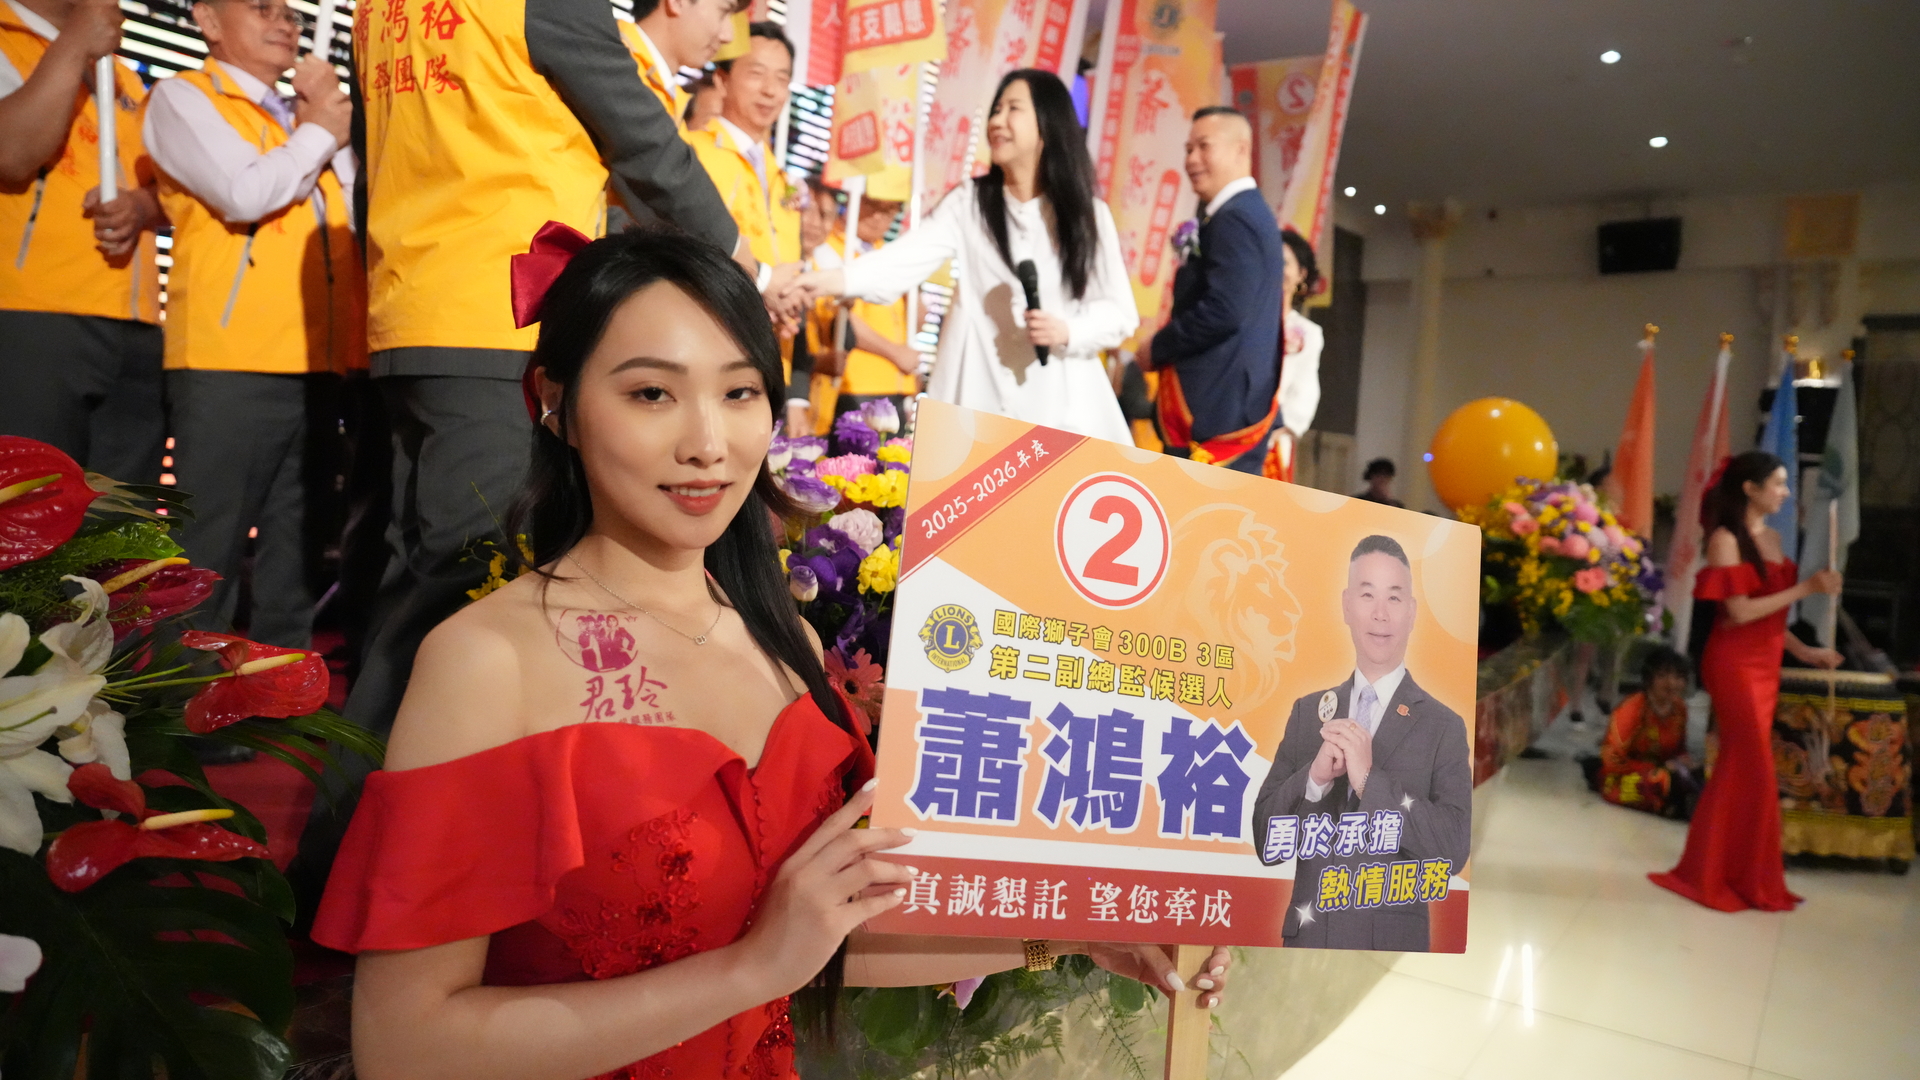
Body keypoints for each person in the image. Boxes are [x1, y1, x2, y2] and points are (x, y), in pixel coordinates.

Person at [312, 227, 1232, 1079]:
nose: (708, 444)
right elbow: (404, 1046)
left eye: (739, 391)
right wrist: (752, 969)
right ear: (555, 403)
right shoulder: (486, 661)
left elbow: (822, 938)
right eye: (650, 393)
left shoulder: (780, 636)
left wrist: (1073, 933)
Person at [292, 0, 762, 924]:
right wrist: (737, 266)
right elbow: (640, 139)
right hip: (497, 320)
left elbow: (375, 165)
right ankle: (382, 892)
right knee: (463, 610)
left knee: (411, 603)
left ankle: (349, 872)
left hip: (412, 313)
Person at [144, 0, 362, 647]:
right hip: (229, 359)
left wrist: (325, 125)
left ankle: (277, 695)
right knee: (205, 554)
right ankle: (181, 696)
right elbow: (245, 193)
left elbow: (356, 217)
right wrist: (319, 131)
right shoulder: (185, 97)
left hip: (319, 362)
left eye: (291, 13)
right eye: (260, 7)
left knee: (296, 559)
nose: (285, 23)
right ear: (209, 21)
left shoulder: (305, 117)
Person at [782, 69, 1136, 443]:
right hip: (978, 399)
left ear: (1048, 124)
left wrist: (1068, 330)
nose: (997, 121)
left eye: (1013, 109)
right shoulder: (970, 203)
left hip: (1059, 406)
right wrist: (826, 281)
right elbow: (901, 261)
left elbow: (1119, 312)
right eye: (996, 109)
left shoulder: (1087, 216)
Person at [1251, 534, 1473, 951]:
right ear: (1346, 606)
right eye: (1367, 595)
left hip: (1389, 943)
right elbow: (1265, 842)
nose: (1380, 614)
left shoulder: (1443, 725)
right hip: (1307, 939)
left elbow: (1453, 851)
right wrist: (1313, 780)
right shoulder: (1308, 712)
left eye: (1394, 598)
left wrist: (1371, 782)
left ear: (1412, 612)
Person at [1650, 451, 1842, 912]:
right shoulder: (1724, 540)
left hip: (1766, 662)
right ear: (1750, 489)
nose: (1786, 492)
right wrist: (1808, 588)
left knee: (1739, 767)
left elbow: (1770, 614)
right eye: (1778, 483)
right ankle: (1723, 875)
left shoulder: (1773, 538)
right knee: (1754, 767)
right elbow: (1738, 613)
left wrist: (1804, 650)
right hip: (1734, 664)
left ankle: (1722, 871)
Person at [0, 0, 164, 484]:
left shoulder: (124, 76)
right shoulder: (8, 37)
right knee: (31, 507)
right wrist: (75, 41)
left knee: (121, 519)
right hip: (33, 314)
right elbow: (12, 153)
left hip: (134, 321)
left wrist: (140, 207)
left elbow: (168, 194)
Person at [1135, 106, 1283, 473]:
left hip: (1217, 411)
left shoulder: (1236, 218)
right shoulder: (1244, 213)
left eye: (1204, 146)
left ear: (1240, 149)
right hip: (1228, 404)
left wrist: (1158, 346)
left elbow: (1225, 310)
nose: (1192, 159)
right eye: (1188, 149)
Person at [802, 173, 921, 432]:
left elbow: (913, 321)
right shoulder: (827, 247)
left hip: (896, 385)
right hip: (855, 385)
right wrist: (895, 353)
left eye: (889, 210)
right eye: (872, 205)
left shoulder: (888, 254)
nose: (878, 216)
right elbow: (840, 318)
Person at [1580, 646, 1700, 819]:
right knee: (1660, 782)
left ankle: (1677, 805)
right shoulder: (1632, 709)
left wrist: (1684, 760)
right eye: (1662, 676)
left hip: (1666, 771)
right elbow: (1612, 759)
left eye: (1678, 677)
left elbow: (1679, 750)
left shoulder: (1680, 709)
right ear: (1649, 678)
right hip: (1623, 777)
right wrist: (1657, 769)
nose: (1671, 683)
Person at [1262, 226, 1323, 480]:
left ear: (1301, 274)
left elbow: (1304, 392)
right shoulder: (1243, 319)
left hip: (1270, 443)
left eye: (1285, 263)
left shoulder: (1307, 333)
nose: (1277, 268)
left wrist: (1273, 429)